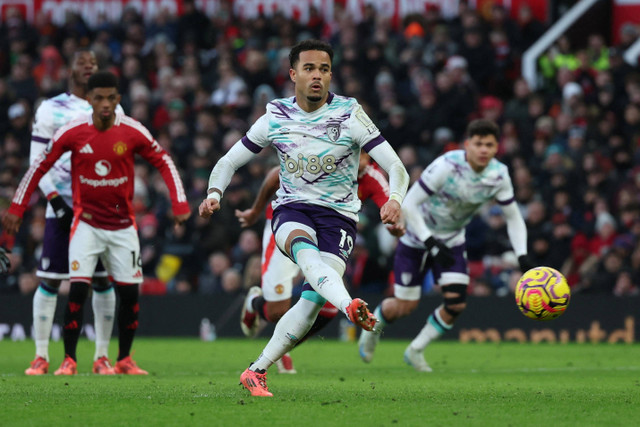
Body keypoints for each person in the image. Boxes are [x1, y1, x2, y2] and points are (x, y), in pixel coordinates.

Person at [199, 39, 409, 397]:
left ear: (330, 75)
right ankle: (349, 305)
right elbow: (228, 161)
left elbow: (395, 165)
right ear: (293, 74)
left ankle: (256, 370)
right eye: (309, 68)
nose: (317, 76)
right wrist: (214, 193)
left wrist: (395, 199)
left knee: (311, 304)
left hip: (339, 219)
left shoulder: (350, 114)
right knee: (305, 255)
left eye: (324, 69)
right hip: (292, 209)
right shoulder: (276, 116)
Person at [3, 71, 191, 375]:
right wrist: (17, 206)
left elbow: (163, 160)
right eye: (99, 97)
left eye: (111, 98)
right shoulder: (73, 131)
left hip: (122, 226)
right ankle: (69, 360)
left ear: (118, 99)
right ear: (89, 99)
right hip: (86, 225)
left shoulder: (131, 130)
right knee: (77, 289)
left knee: (129, 294)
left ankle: (123, 360)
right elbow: (40, 165)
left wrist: (179, 202)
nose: (105, 104)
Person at [358, 119, 534, 372]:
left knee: (456, 303)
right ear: (467, 145)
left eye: (489, 145)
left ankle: (415, 350)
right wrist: (430, 241)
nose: (483, 150)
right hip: (417, 237)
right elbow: (409, 204)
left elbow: (514, 217)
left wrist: (522, 255)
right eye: (478, 144)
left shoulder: (498, 174)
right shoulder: (447, 166)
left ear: (496, 148)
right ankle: (373, 329)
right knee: (404, 306)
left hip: (451, 238)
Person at [236, 153, 404, 374]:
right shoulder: (326, 156)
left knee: (325, 304)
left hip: (326, 233)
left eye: (364, 154)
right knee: (276, 311)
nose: (359, 159)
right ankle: (255, 304)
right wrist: (255, 211)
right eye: (356, 152)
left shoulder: (371, 177)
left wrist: (394, 223)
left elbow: (390, 205)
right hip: (289, 222)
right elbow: (274, 176)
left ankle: (279, 351)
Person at [22, 50, 126, 375]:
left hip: (98, 210)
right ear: (70, 70)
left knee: (102, 281)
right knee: (51, 280)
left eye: (93, 65)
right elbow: (37, 159)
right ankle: (40, 356)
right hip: (62, 207)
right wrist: (54, 200)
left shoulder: (113, 109)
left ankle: (101, 357)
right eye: (82, 64)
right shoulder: (51, 108)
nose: (88, 69)